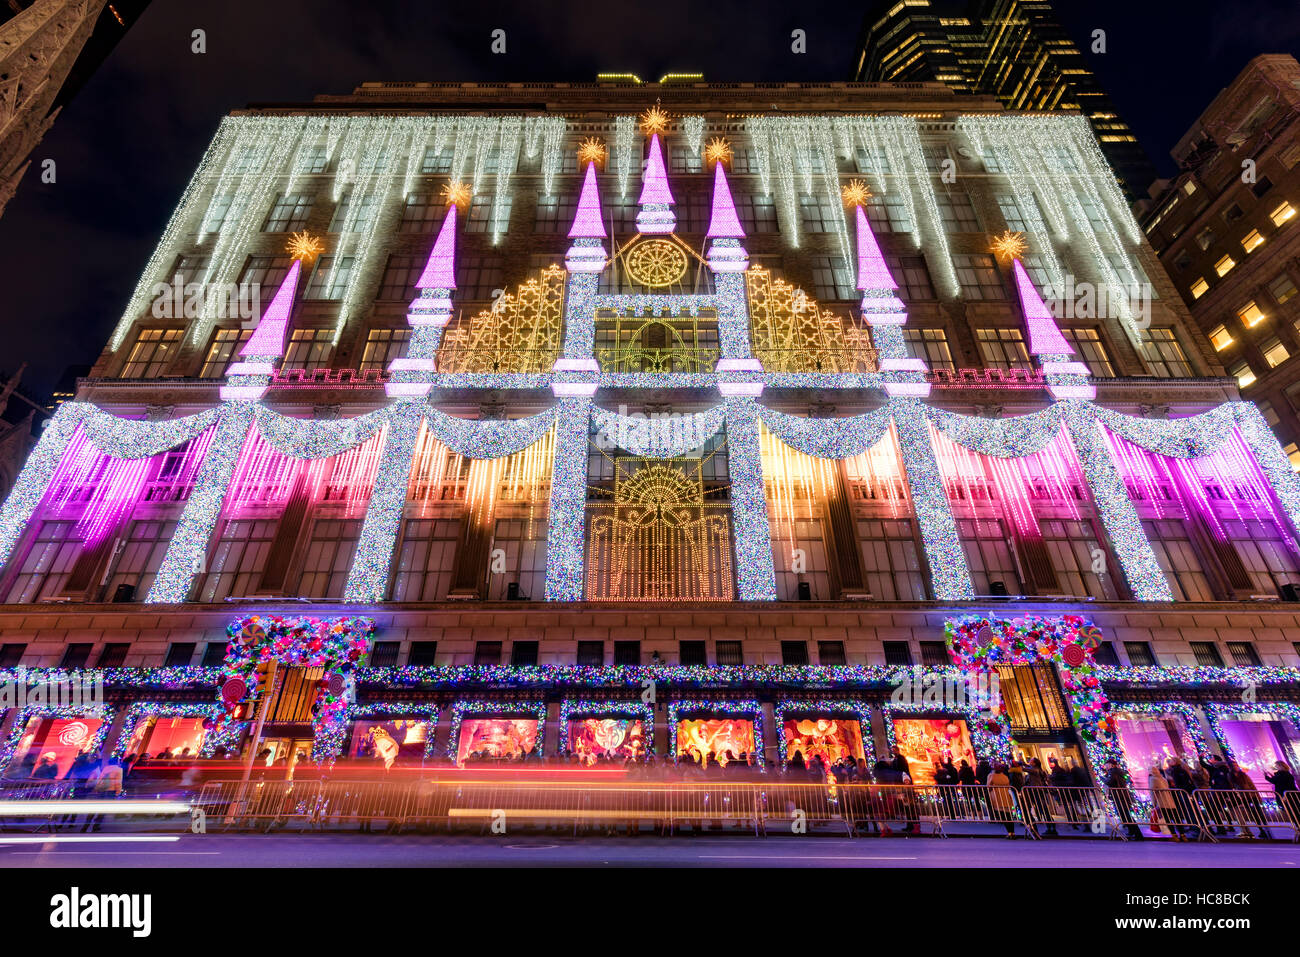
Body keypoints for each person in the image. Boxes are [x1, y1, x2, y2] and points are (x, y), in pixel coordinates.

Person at [1228, 760, 1271, 840]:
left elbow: (1251, 785)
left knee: (1259, 812)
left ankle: (1265, 829)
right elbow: (1232, 786)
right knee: (1253, 813)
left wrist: (1257, 796)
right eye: (1233, 765)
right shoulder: (1230, 776)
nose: (1235, 767)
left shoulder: (1243, 775)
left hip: (1251, 795)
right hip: (1243, 797)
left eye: (1236, 765)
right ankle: (1261, 829)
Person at [1104, 758, 1142, 840]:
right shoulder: (1117, 771)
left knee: (1125, 815)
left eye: (1106, 764)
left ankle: (1137, 834)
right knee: (1124, 815)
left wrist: (1103, 779)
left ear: (1111, 765)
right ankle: (1132, 831)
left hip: (1120, 796)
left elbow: (1110, 782)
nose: (1105, 766)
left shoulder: (1113, 771)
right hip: (1121, 796)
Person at [986, 763, 1017, 837]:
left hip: (997, 797)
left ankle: (1009, 832)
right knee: (1008, 815)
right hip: (1006, 797)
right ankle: (1012, 832)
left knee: (1003, 816)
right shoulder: (1005, 776)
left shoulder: (991, 776)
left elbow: (988, 786)